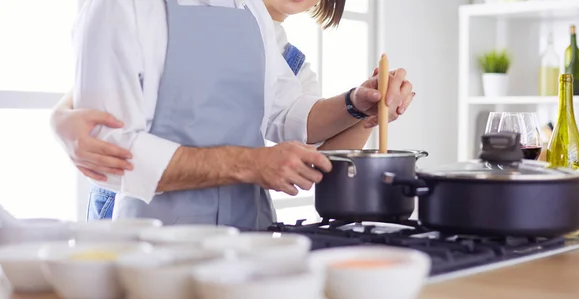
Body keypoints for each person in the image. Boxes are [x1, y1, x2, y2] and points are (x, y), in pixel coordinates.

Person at [53, 0, 414, 229]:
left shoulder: (251, 12)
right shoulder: (120, 7)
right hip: (155, 247)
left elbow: (286, 112)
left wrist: (357, 103)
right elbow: (111, 153)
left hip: (249, 239)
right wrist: (250, 164)